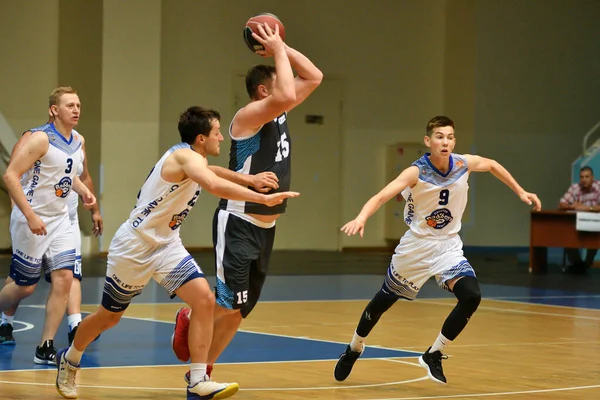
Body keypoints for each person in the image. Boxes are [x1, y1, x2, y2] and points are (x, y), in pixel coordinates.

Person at [55, 106, 299, 400]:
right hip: (135, 247)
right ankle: (70, 359)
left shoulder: (193, 157)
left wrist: (249, 179)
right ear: (200, 138)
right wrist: (260, 197)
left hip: (167, 245)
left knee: (205, 300)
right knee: (109, 317)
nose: (222, 137)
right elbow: (210, 183)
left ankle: (197, 380)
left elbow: (211, 171)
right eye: (217, 132)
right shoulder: (184, 156)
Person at [333, 116, 541, 385]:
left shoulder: (463, 164)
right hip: (416, 247)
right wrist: (361, 218)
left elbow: (491, 165)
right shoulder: (416, 172)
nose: (446, 142)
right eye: (440, 137)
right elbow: (382, 196)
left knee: (471, 295)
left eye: (451, 137)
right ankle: (354, 348)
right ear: (428, 141)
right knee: (382, 302)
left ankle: (434, 353)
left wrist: (521, 191)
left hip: (448, 246)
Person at [170, 23, 323, 381]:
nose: (288, 76)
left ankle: (204, 370)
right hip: (238, 221)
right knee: (224, 303)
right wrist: (277, 51)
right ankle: (190, 318)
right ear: (262, 90)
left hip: (266, 227)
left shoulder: (279, 109)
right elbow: (286, 93)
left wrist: (280, 44)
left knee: (239, 312)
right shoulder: (248, 117)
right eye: (280, 73)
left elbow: (313, 76)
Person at [0, 86, 96, 365]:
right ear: (54, 110)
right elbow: (10, 176)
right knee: (25, 287)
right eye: (69, 105)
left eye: (78, 105)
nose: (76, 109)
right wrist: (30, 215)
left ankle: (45, 346)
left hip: (60, 220)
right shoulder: (40, 138)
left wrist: (82, 191)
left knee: (65, 278)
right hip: (32, 218)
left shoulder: (78, 140)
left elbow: (69, 174)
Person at [559, 166, 600, 273]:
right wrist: (573, 206)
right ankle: (578, 264)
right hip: (576, 222)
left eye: (587, 177)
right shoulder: (575, 188)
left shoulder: (599, 186)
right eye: (581, 177)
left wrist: (588, 208)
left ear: (592, 178)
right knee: (567, 235)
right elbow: (562, 204)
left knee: (595, 237)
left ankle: (587, 263)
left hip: (595, 223)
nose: (584, 179)